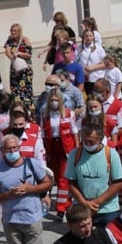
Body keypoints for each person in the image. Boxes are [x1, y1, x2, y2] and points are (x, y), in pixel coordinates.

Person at [66, 122, 122, 228]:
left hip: (108, 209)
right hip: (82, 209)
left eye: (91, 141)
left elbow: (119, 183)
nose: (88, 144)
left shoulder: (111, 154)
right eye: (85, 141)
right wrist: (84, 203)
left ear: (100, 139)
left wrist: (97, 202)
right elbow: (71, 182)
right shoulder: (74, 154)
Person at [41, 85, 79, 220]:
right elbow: (43, 134)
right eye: (52, 100)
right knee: (50, 177)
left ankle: (61, 209)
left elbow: (74, 132)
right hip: (51, 148)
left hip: (65, 149)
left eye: (56, 100)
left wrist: (77, 150)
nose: (54, 102)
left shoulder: (68, 113)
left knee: (63, 179)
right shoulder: (45, 115)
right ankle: (47, 202)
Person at [4, 24, 35, 118]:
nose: (13, 33)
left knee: (26, 93)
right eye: (11, 30)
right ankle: (18, 114)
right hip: (15, 70)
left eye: (15, 31)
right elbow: (7, 52)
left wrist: (19, 54)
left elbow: (29, 54)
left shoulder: (25, 39)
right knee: (15, 92)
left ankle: (31, 115)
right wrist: (14, 60)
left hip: (25, 71)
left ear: (19, 31)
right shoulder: (10, 41)